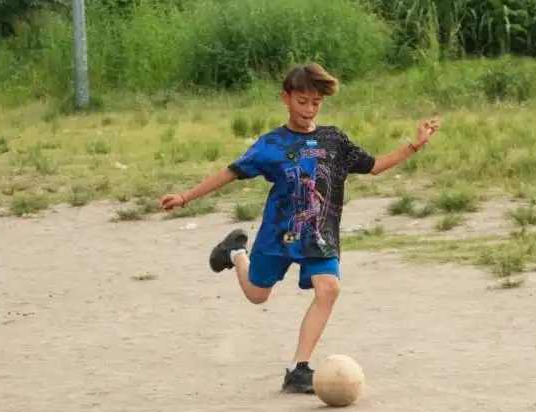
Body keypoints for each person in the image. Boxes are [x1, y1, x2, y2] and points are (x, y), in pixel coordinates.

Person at [159, 61, 440, 394]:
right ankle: (235, 252)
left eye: (315, 103)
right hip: (278, 234)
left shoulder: (334, 140)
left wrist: (416, 144)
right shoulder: (272, 145)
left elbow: (376, 166)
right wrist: (186, 197)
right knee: (257, 295)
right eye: (301, 101)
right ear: (285, 98)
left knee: (329, 288)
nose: (309, 109)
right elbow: (231, 172)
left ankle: (298, 368)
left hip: (319, 235)